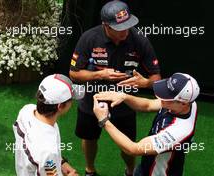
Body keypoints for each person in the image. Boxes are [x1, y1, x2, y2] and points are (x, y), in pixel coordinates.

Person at [69, 0, 161, 175]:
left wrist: (146, 83)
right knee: (89, 138)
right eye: (120, 28)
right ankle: (90, 170)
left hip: (125, 103)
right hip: (92, 101)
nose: (126, 32)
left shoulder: (139, 40)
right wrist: (100, 75)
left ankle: (130, 170)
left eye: (128, 26)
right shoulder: (89, 38)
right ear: (106, 26)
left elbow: (156, 77)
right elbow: (74, 74)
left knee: (128, 145)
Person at [93, 73, 200, 176]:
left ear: (183, 103)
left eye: (168, 97)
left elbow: (133, 149)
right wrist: (124, 96)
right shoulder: (186, 103)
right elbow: (148, 105)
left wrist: (104, 121)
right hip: (148, 165)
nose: (161, 98)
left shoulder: (179, 131)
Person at [13, 74, 80, 176]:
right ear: (60, 106)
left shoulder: (26, 110)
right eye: (71, 100)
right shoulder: (48, 151)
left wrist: (60, 162)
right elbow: (47, 158)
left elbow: (45, 160)